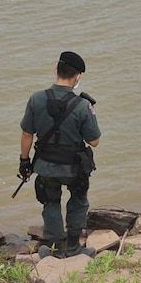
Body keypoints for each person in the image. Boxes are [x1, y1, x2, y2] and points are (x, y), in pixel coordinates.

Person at [19, 51, 101, 258]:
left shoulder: (36, 98)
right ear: (78, 77)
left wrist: (24, 161)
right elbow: (94, 141)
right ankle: (74, 247)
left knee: (51, 202)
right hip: (74, 167)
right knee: (78, 200)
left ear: (56, 70)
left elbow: (27, 133)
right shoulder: (83, 106)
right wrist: (92, 114)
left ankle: (56, 250)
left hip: (45, 165)